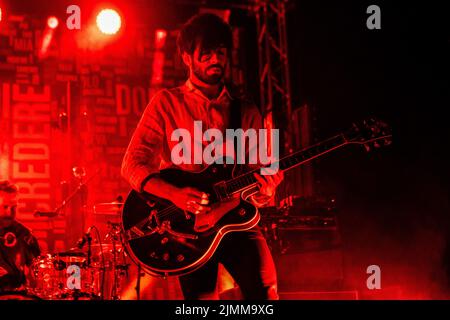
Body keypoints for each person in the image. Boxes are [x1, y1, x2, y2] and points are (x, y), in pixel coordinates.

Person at [121, 13, 283, 300]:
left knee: (265, 295)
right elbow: (132, 164)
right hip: (186, 228)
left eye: (220, 53)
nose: (215, 60)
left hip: (237, 218)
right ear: (187, 57)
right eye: (205, 54)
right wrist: (174, 194)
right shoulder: (166, 103)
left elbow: (260, 179)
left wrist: (267, 186)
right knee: (202, 302)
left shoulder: (246, 111)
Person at [0, 181, 41, 292]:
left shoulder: (24, 235)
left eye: (14, 207)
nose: (9, 212)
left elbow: (38, 270)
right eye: (5, 207)